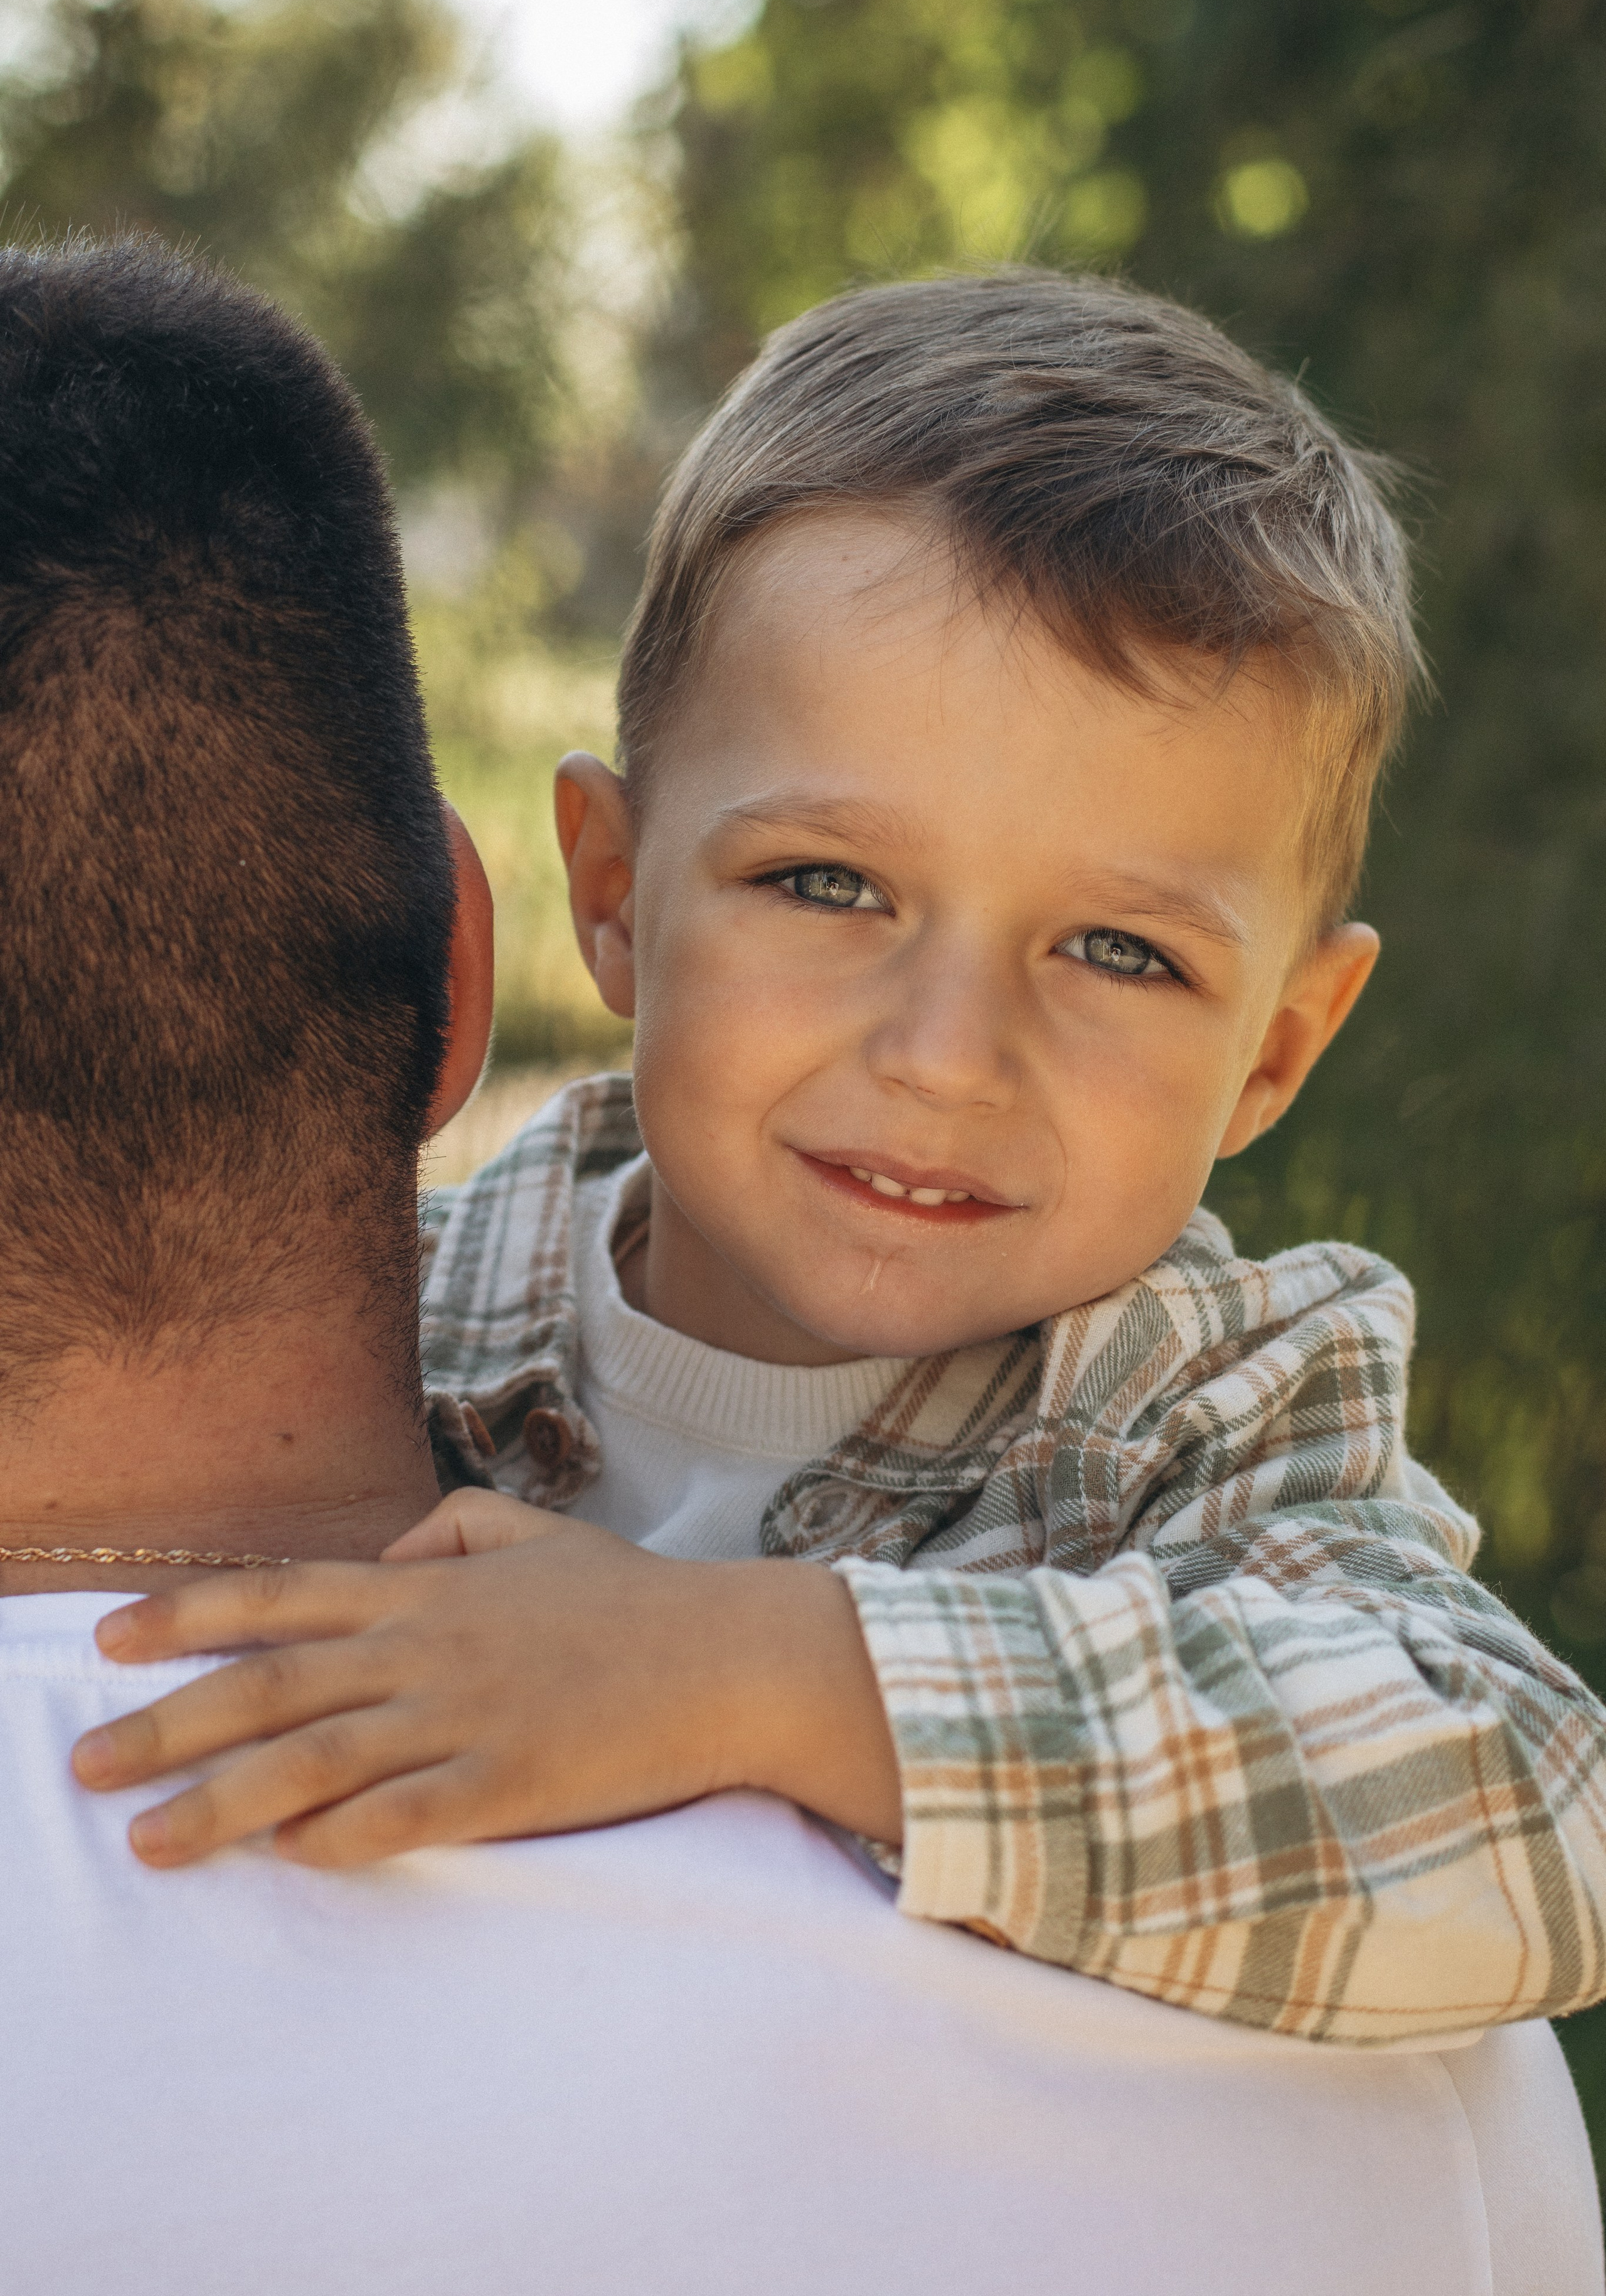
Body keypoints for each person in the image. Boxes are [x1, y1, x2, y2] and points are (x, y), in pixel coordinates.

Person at [9, 236, 1598, 2296]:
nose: (947, 1056)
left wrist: (762, 1677)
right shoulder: (439, 1301)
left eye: (1120, 952)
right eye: (826, 884)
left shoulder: (1201, 1415)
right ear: (606, 894)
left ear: (1279, 1046)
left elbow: (1523, 1800)